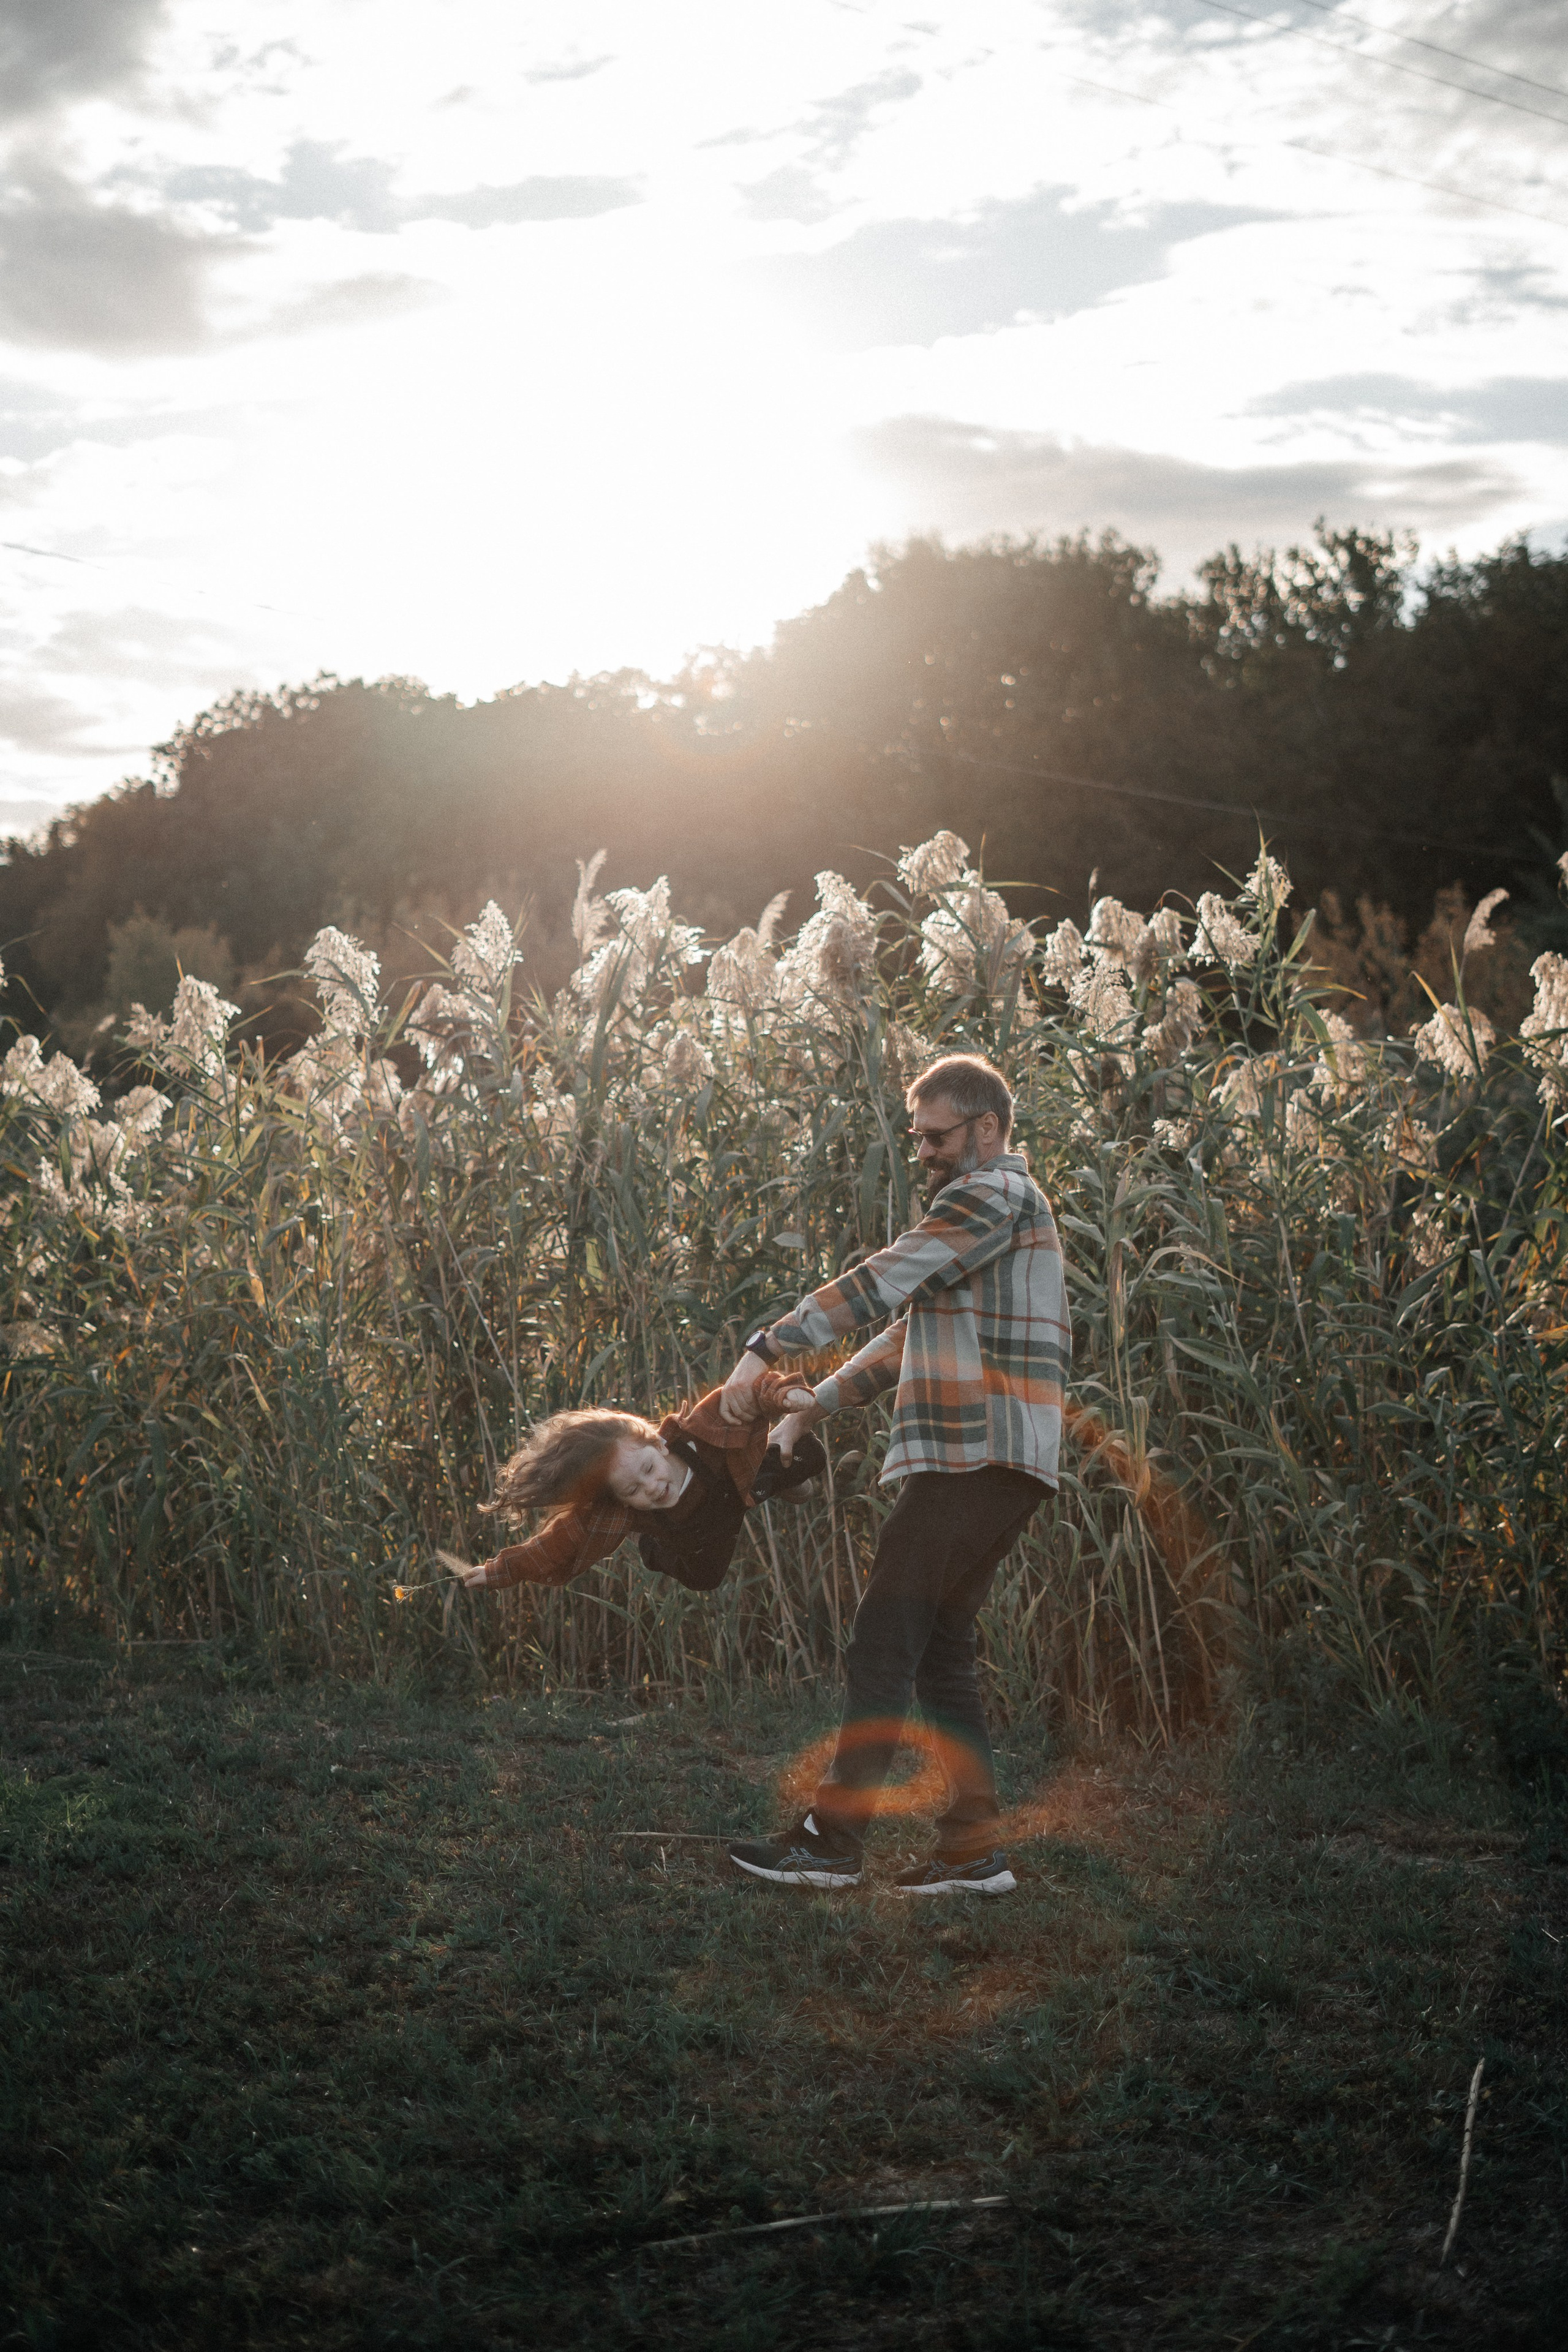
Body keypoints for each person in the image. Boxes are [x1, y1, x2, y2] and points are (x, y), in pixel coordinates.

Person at [719, 1052, 1069, 1897]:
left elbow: (882, 1281)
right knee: (942, 1647)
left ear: (987, 1128)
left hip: (976, 1456)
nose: (926, 1152)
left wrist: (767, 1347)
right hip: (995, 1460)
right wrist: (816, 1405)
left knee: (884, 1636)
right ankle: (973, 1852)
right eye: (917, 1139)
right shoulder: (988, 1215)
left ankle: (832, 1844)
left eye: (938, 1136)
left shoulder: (995, 1193)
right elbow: (910, 1328)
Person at [448, 1378, 824, 1597]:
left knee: (811, 1456)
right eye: (632, 1489)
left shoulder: (701, 1434)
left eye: (648, 1469)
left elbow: (749, 1390)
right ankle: (652, 1550)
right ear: (618, 1496)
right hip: (690, 1540)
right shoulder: (619, 1511)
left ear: (659, 1443)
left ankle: (779, 1479)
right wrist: (501, 1571)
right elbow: (556, 1543)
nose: (652, 1487)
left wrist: (782, 1395)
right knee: (705, 1580)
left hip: (734, 1490)